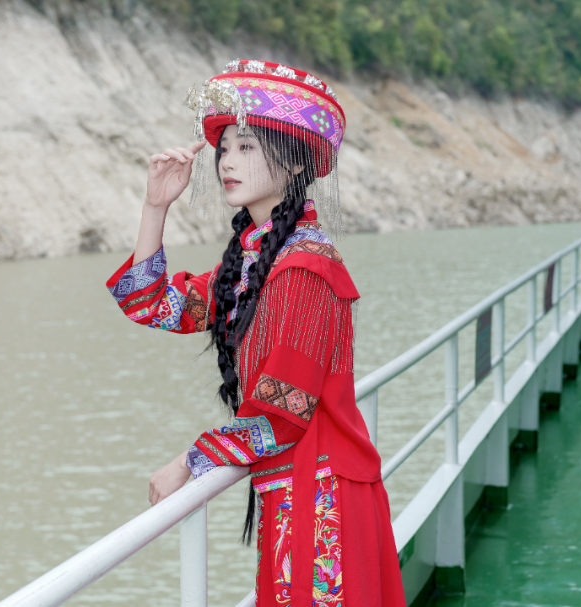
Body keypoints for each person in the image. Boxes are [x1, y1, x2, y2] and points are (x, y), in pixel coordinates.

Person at [106, 60, 405, 606]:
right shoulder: (252, 263)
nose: (227, 161)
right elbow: (151, 304)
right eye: (224, 148)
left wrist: (187, 462)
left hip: (322, 499)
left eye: (246, 146)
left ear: (296, 161)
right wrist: (155, 206)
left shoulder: (306, 267)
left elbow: (281, 414)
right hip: (295, 491)